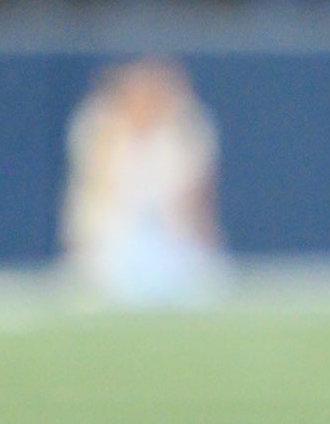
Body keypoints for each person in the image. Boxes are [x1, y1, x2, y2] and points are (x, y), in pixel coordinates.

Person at [57, 55, 228, 305]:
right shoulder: (98, 128)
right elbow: (96, 195)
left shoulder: (184, 130)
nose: (144, 102)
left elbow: (196, 199)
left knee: (201, 283)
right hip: (114, 240)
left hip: (172, 238)